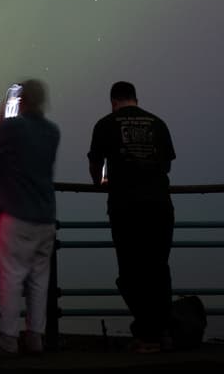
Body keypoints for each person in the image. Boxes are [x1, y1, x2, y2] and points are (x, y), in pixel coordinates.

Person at [87, 80, 175, 353]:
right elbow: (167, 164)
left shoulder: (105, 124)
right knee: (158, 269)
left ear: (113, 101)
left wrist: (100, 182)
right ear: (136, 99)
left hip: (125, 206)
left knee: (130, 271)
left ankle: (146, 334)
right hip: (160, 205)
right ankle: (162, 332)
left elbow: (95, 164)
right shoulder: (157, 123)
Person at [0, 79, 59, 355]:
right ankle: (36, 336)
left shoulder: (12, 127)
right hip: (46, 215)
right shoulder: (53, 131)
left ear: (23, 101)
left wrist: (6, 105)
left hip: (16, 214)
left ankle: (8, 338)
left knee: (11, 277)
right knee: (39, 280)